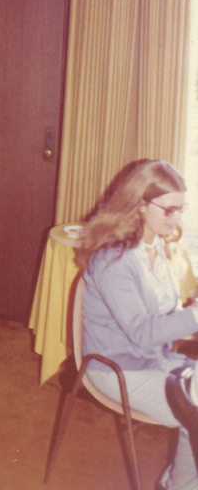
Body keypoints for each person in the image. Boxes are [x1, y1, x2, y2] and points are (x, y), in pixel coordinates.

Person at [77, 159, 198, 490]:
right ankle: (177, 485)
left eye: (181, 209)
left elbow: (165, 314)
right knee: (197, 413)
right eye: (169, 210)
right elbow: (143, 333)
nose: (176, 219)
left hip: (151, 359)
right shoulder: (114, 260)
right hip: (116, 369)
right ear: (140, 205)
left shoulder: (156, 245)